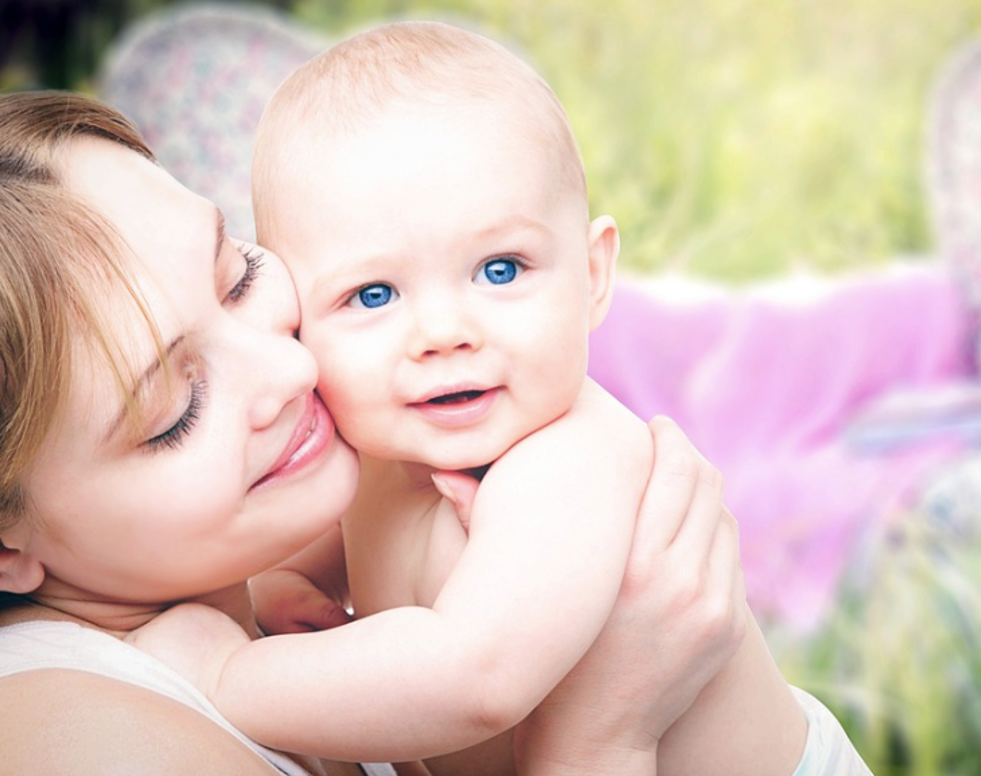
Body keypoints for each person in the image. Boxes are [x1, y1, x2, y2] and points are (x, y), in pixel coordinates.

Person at [0, 88, 751, 776]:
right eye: (174, 414)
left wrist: (265, 603)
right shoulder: (66, 745)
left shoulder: (243, 608)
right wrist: (599, 740)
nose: (295, 370)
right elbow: (480, 681)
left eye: (237, 275)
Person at [147, 19, 872, 776]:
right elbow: (340, 544)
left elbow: (475, 679)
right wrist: (287, 583)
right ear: (300, 318)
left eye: (499, 269)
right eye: (372, 293)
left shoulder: (568, 464)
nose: (443, 332)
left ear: (591, 276)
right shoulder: (387, 452)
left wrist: (223, 675)